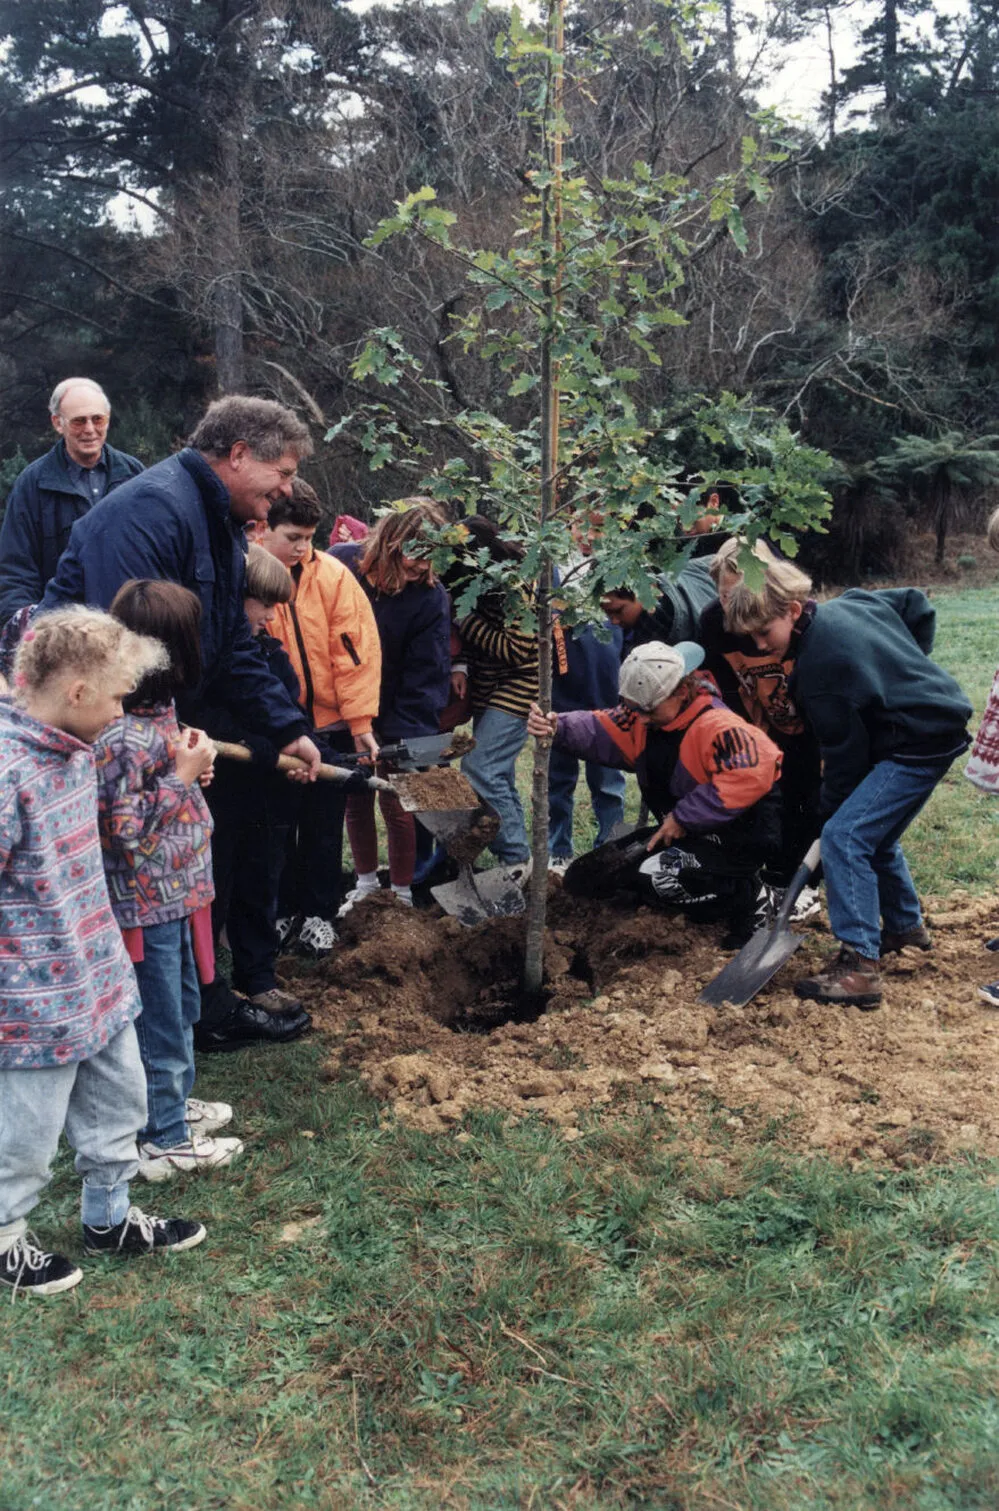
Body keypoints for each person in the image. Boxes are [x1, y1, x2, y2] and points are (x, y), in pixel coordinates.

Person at [38, 395, 322, 1047]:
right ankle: (143, 1029)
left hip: (154, 724)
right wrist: (161, 741)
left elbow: (225, 645)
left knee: (177, 872)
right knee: (129, 880)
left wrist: (287, 729)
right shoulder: (151, 511)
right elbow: (126, 648)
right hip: (98, 729)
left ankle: (192, 1011)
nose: (285, 490)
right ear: (238, 455)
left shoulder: (215, 522)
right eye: (281, 473)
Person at [0, 607, 206, 1299]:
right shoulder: (8, 768)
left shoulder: (75, 747)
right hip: (30, 999)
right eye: (120, 697)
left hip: (97, 972)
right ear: (79, 692)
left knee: (119, 1101)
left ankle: (108, 1216)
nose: (126, 711)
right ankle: (4, 1236)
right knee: (26, 1131)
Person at [726, 563, 973, 1008]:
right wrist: (904, 669)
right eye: (752, 639)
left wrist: (828, 816)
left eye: (764, 633)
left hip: (916, 741)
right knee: (872, 835)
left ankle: (859, 965)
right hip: (933, 723)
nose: (761, 646)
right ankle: (903, 928)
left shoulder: (824, 667)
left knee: (845, 835)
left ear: (793, 609)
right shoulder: (850, 602)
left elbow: (843, 759)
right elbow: (914, 604)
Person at [96, 580, 244, 1180]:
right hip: (148, 902)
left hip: (180, 891)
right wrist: (182, 777)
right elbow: (125, 832)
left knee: (182, 1004)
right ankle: (163, 1138)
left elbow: (163, 786)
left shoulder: (157, 713)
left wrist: (193, 766)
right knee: (159, 1018)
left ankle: (171, 1103)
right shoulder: (119, 735)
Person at [528, 640, 784, 944]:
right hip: (687, 833)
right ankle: (693, 898)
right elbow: (600, 728)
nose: (642, 718)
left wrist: (684, 818)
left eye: (649, 710)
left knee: (657, 876)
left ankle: (754, 897)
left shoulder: (718, 725)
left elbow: (757, 768)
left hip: (737, 840)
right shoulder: (644, 719)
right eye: (637, 709)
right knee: (588, 877)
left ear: (680, 690)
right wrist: (558, 726)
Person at [259, 480, 382, 955]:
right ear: (265, 529)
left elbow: (355, 654)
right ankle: (282, 911)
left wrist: (360, 725)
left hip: (328, 725)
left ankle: (319, 914)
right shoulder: (250, 572)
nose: (301, 547)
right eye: (292, 536)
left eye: (308, 537)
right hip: (274, 727)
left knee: (324, 829)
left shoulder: (332, 575)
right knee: (274, 828)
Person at [199, 546, 312, 1035]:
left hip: (266, 797)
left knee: (261, 884)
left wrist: (287, 745)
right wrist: (254, 743)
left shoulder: (270, 652)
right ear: (233, 597)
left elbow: (288, 706)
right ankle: (207, 987)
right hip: (220, 794)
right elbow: (209, 718)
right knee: (216, 888)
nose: (269, 616)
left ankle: (258, 975)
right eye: (261, 604)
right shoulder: (209, 653)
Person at [332, 500, 451, 911]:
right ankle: (365, 884)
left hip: (399, 708)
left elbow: (426, 674)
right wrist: (352, 717)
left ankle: (401, 894)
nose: (422, 570)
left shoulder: (430, 599)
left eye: (431, 562)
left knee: (397, 799)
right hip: (343, 705)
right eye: (416, 559)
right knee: (355, 793)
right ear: (391, 543)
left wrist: (399, 739)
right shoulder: (342, 567)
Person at [699, 539, 822, 918]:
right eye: (724, 596)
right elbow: (723, 684)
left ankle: (805, 886)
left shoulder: (794, 624)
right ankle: (772, 878)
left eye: (740, 593)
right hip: (757, 724)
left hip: (804, 722)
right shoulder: (713, 625)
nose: (732, 604)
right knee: (771, 798)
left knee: (809, 795)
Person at [0, 379, 143, 626]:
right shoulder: (31, 485)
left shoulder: (135, 476)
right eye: (79, 421)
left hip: (128, 629)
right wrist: (30, 634)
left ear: (108, 419)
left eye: (97, 419)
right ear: (58, 423)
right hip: (63, 632)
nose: (89, 429)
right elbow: (15, 573)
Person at [453, 517, 539, 882]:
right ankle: (519, 859)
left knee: (479, 767)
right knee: (498, 775)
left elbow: (517, 648)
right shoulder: (473, 582)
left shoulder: (514, 586)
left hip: (518, 688)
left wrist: (464, 620)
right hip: (490, 690)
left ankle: (517, 859)